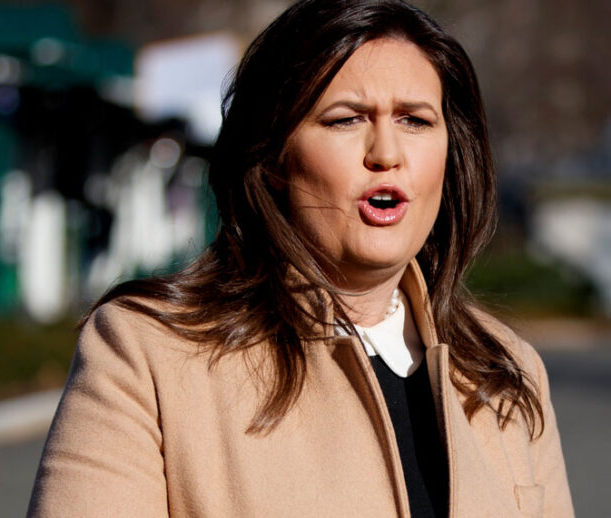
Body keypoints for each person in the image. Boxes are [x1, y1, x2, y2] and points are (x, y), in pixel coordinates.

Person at [28, 0, 574, 516]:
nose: (387, 153)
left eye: (414, 119)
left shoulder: (508, 372)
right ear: (274, 159)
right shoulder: (148, 354)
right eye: (346, 119)